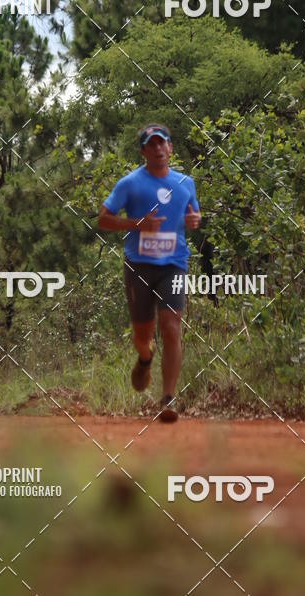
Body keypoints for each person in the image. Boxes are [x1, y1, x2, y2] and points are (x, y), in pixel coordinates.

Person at [98, 123, 201, 422]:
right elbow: (103, 219)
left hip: (174, 264)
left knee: (170, 327)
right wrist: (136, 224)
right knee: (142, 336)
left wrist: (194, 220)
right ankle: (145, 357)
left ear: (170, 148)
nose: (158, 148)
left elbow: (192, 214)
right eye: (151, 144)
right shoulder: (129, 184)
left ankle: (168, 398)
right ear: (143, 151)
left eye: (162, 143)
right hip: (139, 265)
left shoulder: (185, 182)